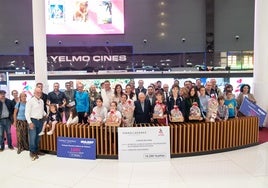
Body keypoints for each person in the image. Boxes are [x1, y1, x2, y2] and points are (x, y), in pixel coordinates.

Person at [25, 87, 46, 160]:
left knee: (38, 138)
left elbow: (42, 110)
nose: (39, 93)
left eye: (40, 92)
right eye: (37, 92)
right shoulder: (30, 101)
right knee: (32, 137)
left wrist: (45, 114)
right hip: (33, 121)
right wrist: (29, 122)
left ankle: (37, 150)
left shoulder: (42, 101)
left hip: (40, 121)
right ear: (34, 93)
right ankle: (32, 152)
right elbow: (27, 113)